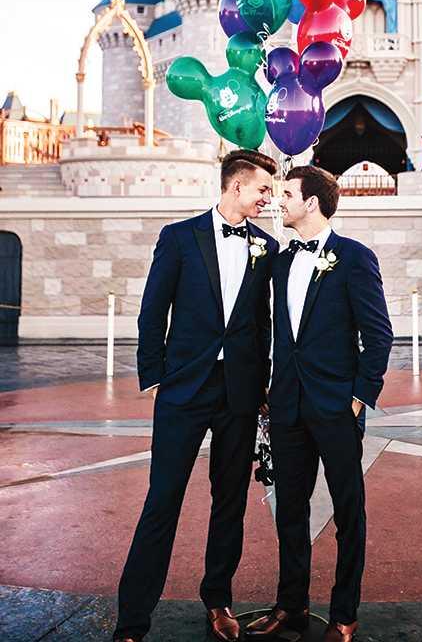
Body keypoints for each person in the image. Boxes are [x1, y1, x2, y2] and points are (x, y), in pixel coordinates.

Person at [113, 149, 279, 642]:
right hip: (184, 390)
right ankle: (132, 619)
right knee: (162, 498)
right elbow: (152, 311)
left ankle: (219, 600)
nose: (267, 197)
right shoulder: (179, 237)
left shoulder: (266, 247)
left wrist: (263, 382)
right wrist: (156, 378)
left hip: (240, 394)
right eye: (263, 189)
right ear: (236, 187)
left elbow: (261, 323)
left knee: (229, 500)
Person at [246, 166, 393, 642]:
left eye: (287, 194)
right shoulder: (282, 260)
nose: (279, 202)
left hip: (336, 408)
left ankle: (345, 615)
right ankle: (291, 605)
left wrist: (358, 398)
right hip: (286, 407)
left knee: (349, 513)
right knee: (289, 510)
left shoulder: (354, 258)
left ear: (312, 203)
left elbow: (379, 336)